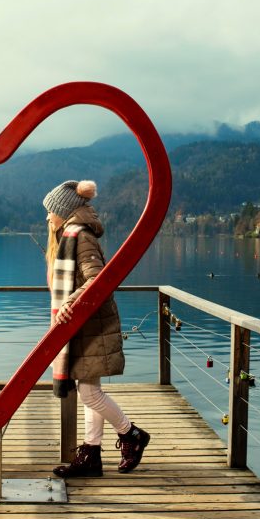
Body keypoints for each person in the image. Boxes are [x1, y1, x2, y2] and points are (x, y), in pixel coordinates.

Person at [43, 179, 150, 477]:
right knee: (90, 389)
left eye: (51, 211)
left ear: (64, 211)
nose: (48, 217)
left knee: (89, 394)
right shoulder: (71, 236)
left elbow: (97, 280)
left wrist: (69, 304)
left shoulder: (81, 237)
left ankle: (131, 434)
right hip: (84, 326)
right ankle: (91, 455)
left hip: (93, 326)